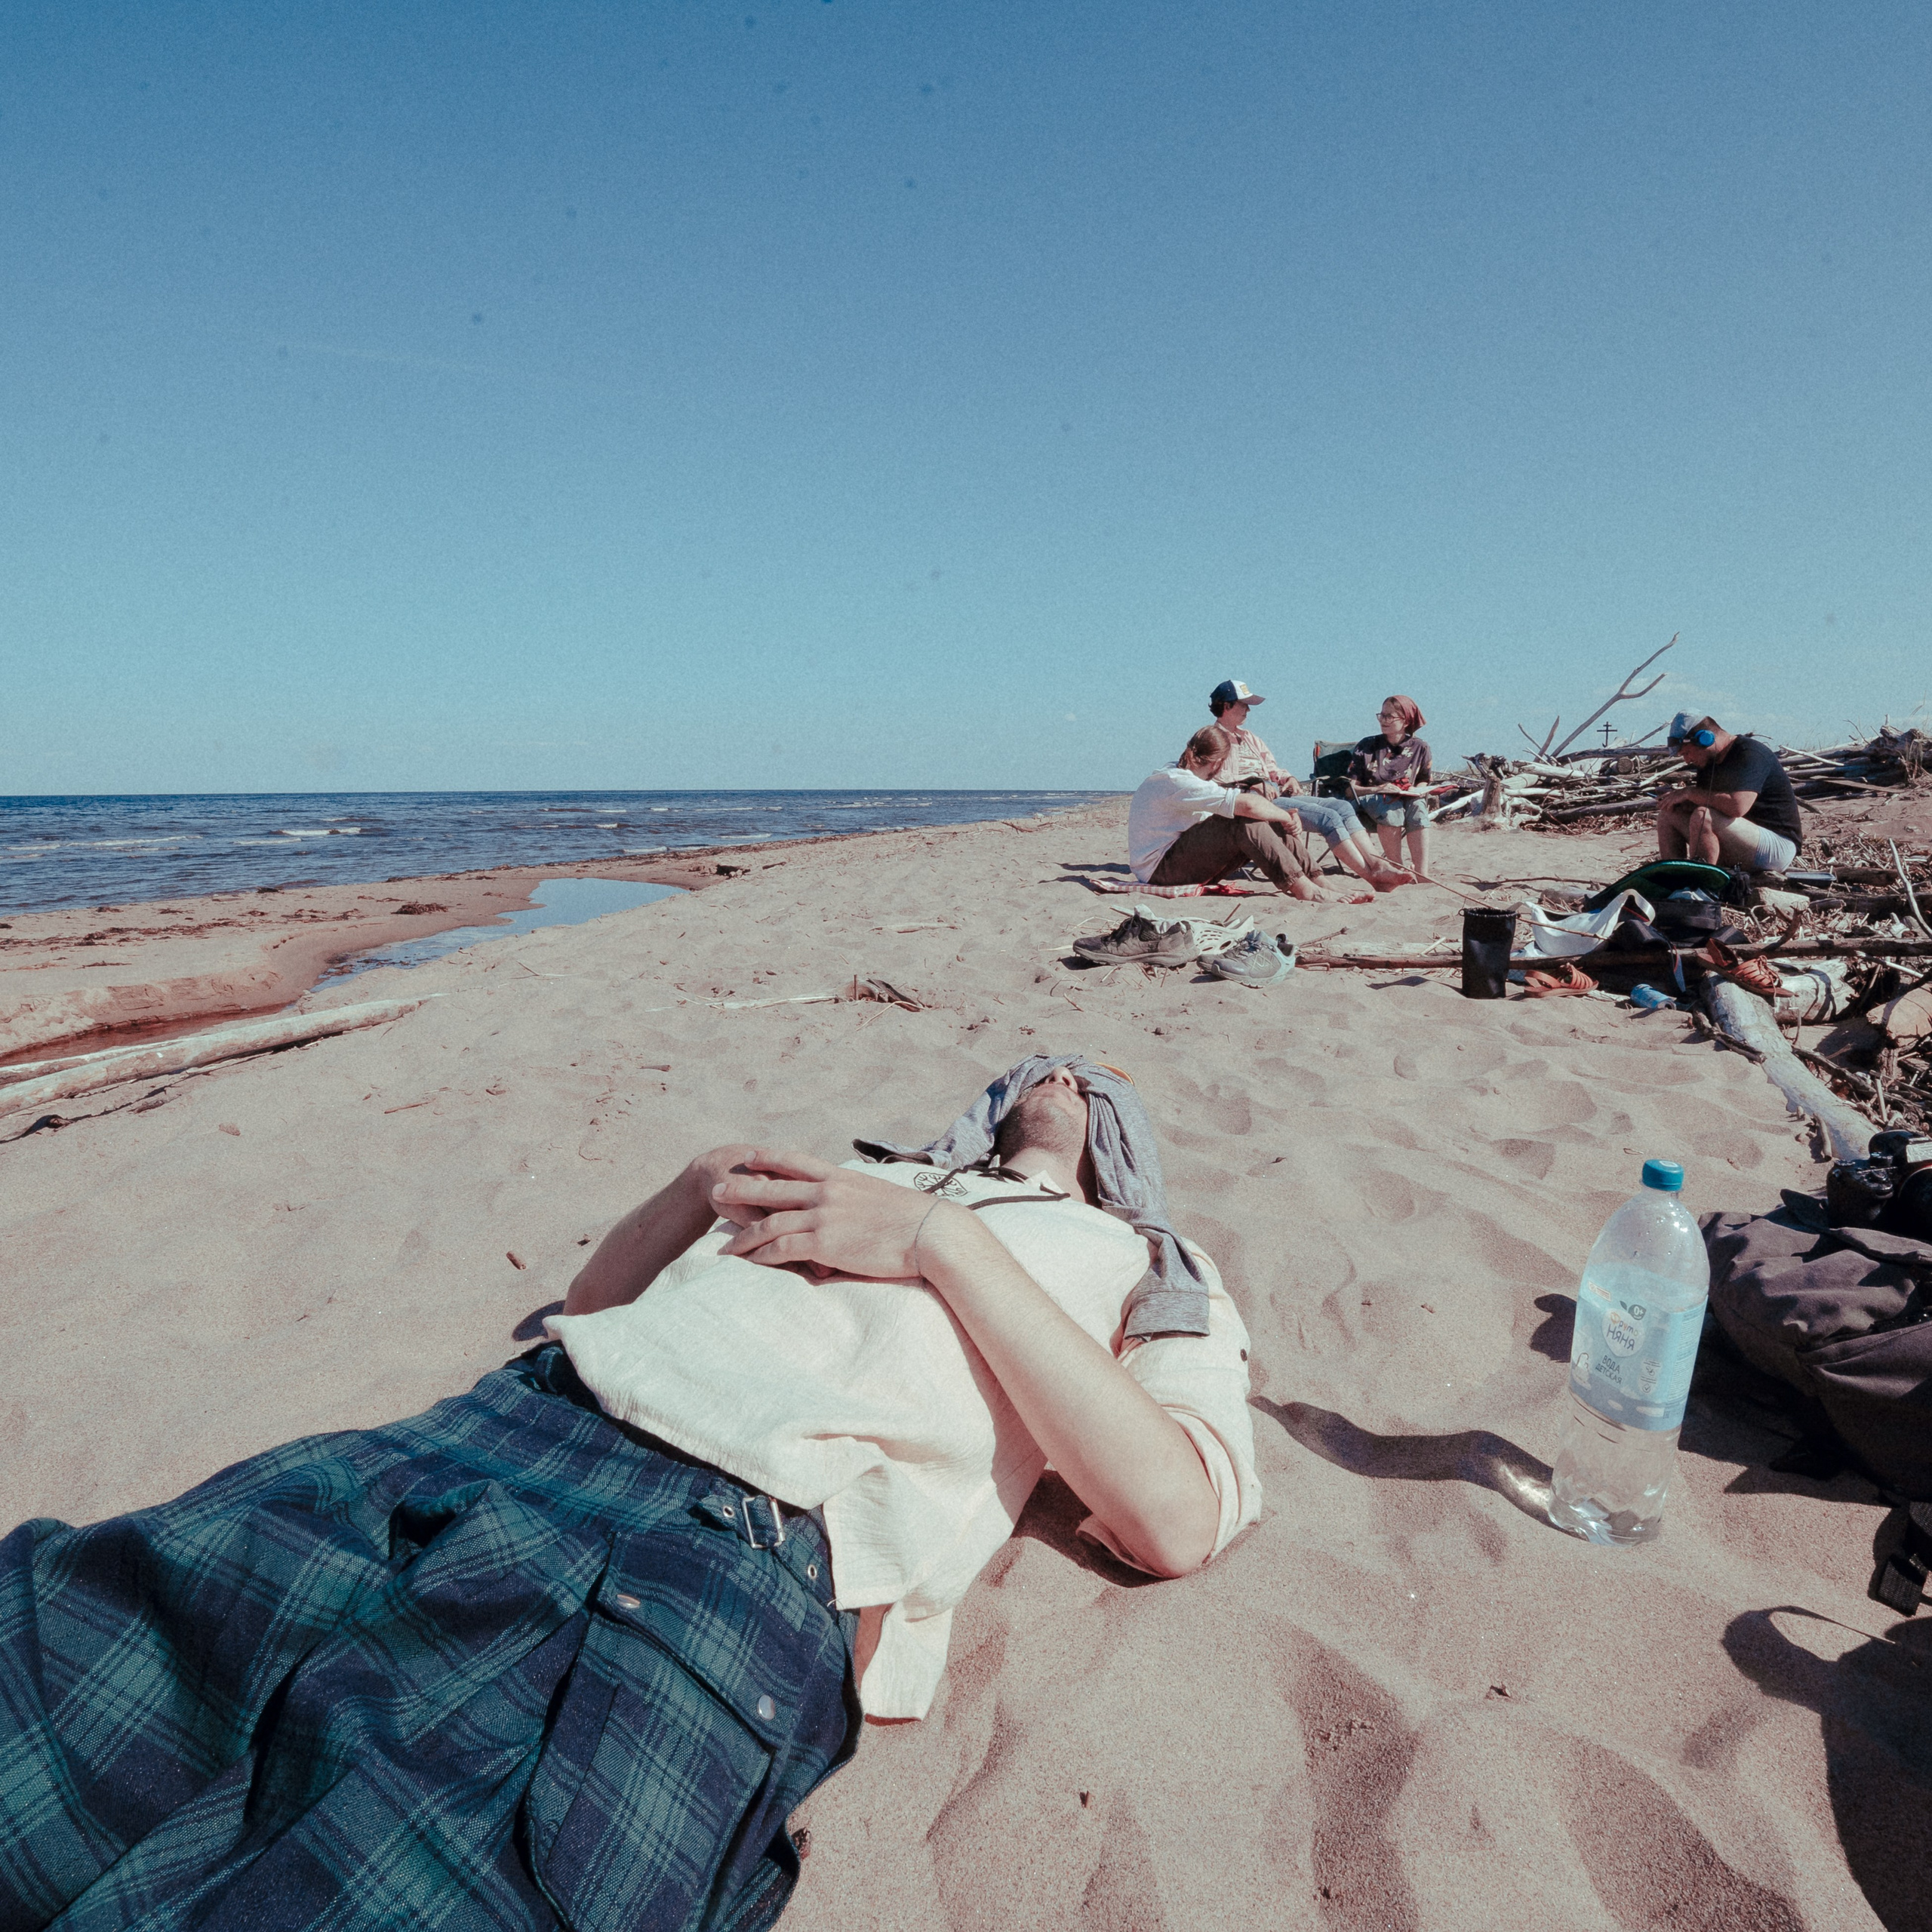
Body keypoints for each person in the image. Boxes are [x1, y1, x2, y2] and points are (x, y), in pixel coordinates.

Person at [0, 1060, 1258, 1932]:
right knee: (45, 1689)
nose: (1061, 1077)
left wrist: (941, 1244)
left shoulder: (1151, 1262)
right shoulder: (866, 1167)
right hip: (493, 1426)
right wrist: (699, 1178)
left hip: (720, 1543)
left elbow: (1178, 1518)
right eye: (1039, 1066)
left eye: (1092, 1082)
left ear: (1119, 1142)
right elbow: (595, 1311)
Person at [1206, 679, 1411, 891]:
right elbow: (1212, 780)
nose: (1248, 709)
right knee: (1328, 817)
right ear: (1227, 705)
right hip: (1252, 804)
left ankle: (1377, 863)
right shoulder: (1212, 739)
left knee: (1342, 806)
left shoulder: (1249, 738)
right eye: (1243, 704)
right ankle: (1371, 876)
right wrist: (1249, 786)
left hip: (1275, 794)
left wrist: (1289, 778)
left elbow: (1272, 767)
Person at [1129, 724, 1346, 900]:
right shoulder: (1178, 781)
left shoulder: (1181, 774)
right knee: (1244, 817)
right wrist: (1285, 816)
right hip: (1160, 871)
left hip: (1174, 862)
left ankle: (1317, 879)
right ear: (1218, 763)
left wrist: (1280, 816)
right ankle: (1303, 887)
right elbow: (1247, 806)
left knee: (1260, 814)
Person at [1654, 711, 1802, 875]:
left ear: (1705, 739)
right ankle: (1673, 881)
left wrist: (1690, 793)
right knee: (1668, 815)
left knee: (1703, 817)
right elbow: (1709, 802)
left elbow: (1737, 807)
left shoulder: (1751, 754)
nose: (1687, 760)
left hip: (1778, 846)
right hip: (1739, 840)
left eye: (1687, 753)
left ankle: (1701, 886)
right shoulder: (1708, 761)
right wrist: (1678, 802)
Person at [1348, 695, 1436, 882]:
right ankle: (1397, 869)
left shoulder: (1420, 747)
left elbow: (1424, 780)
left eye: (1389, 716)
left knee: (1418, 807)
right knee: (1391, 808)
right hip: (1371, 798)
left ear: (1405, 721)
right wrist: (1379, 789)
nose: (1383, 721)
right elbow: (1351, 789)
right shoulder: (1367, 745)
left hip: (1404, 797)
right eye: (1381, 715)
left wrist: (1414, 790)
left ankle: (1422, 874)